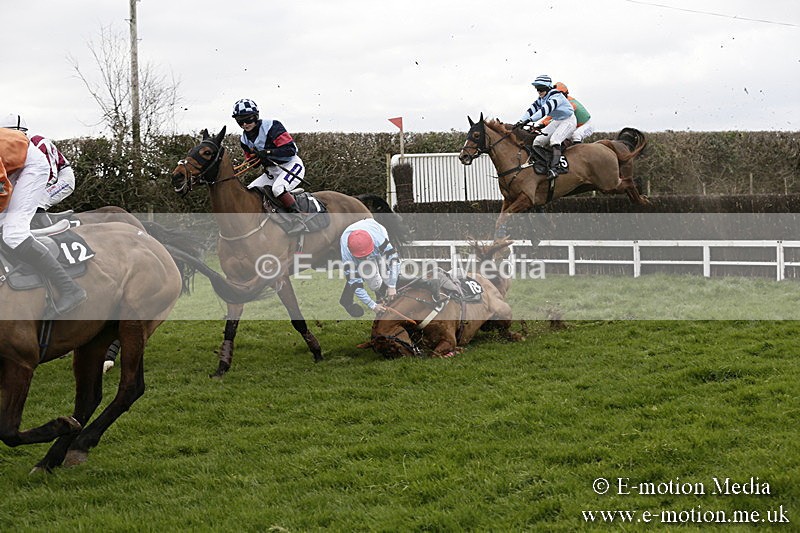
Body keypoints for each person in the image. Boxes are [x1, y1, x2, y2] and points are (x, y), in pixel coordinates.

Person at [0, 125, 87, 317]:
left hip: (32, 166)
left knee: (14, 233)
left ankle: (70, 289)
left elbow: (2, 191)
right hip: (15, 166)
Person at [232, 99, 305, 219]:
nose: (244, 124)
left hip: (291, 166)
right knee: (250, 191)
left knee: (278, 189)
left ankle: (299, 219)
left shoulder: (272, 126)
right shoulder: (243, 140)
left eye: (248, 119)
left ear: (256, 116)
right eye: (240, 121)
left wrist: (267, 153)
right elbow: (253, 163)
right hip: (271, 172)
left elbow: (291, 150)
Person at [0, 113, 76, 225]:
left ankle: (47, 230)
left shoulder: (37, 143)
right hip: (42, 176)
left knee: (37, 200)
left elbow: (51, 175)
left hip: (62, 178)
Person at [514, 74, 577, 179]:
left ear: (548, 87)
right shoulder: (541, 98)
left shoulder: (557, 96)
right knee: (537, 142)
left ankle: (554, 168)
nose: (539, 91)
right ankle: (546, 163)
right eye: (537, 88)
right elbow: (532, 109)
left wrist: (529, 120)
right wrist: (520, 121)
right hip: (557, 120)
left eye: (541, 88)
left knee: (555, 140)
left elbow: (544, 111)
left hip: (568, 120)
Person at [339, 218, 400, 316]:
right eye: (362, 256)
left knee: (387, 276)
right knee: (374, 284)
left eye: (366, 255)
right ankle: (381, 297)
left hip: (374, 229)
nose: (366, 257)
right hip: (356, 240)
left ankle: (394, 295)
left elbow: (394, 261)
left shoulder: (379, 239)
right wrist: (372, 305)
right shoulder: (347, 255)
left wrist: (392, 286)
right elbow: (355, 283)